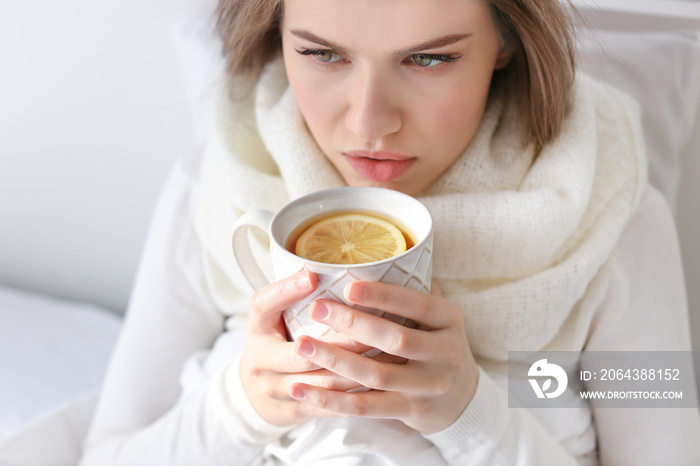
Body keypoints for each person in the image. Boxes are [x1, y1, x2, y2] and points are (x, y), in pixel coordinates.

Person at [79, 0, 700, 464]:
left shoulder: (615, 220)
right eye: (323, 54)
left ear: (506, 42)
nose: (370, 121)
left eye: (430, 58)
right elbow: (104, 454)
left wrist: (470, 415)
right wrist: (241, 408)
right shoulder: (215, 189)